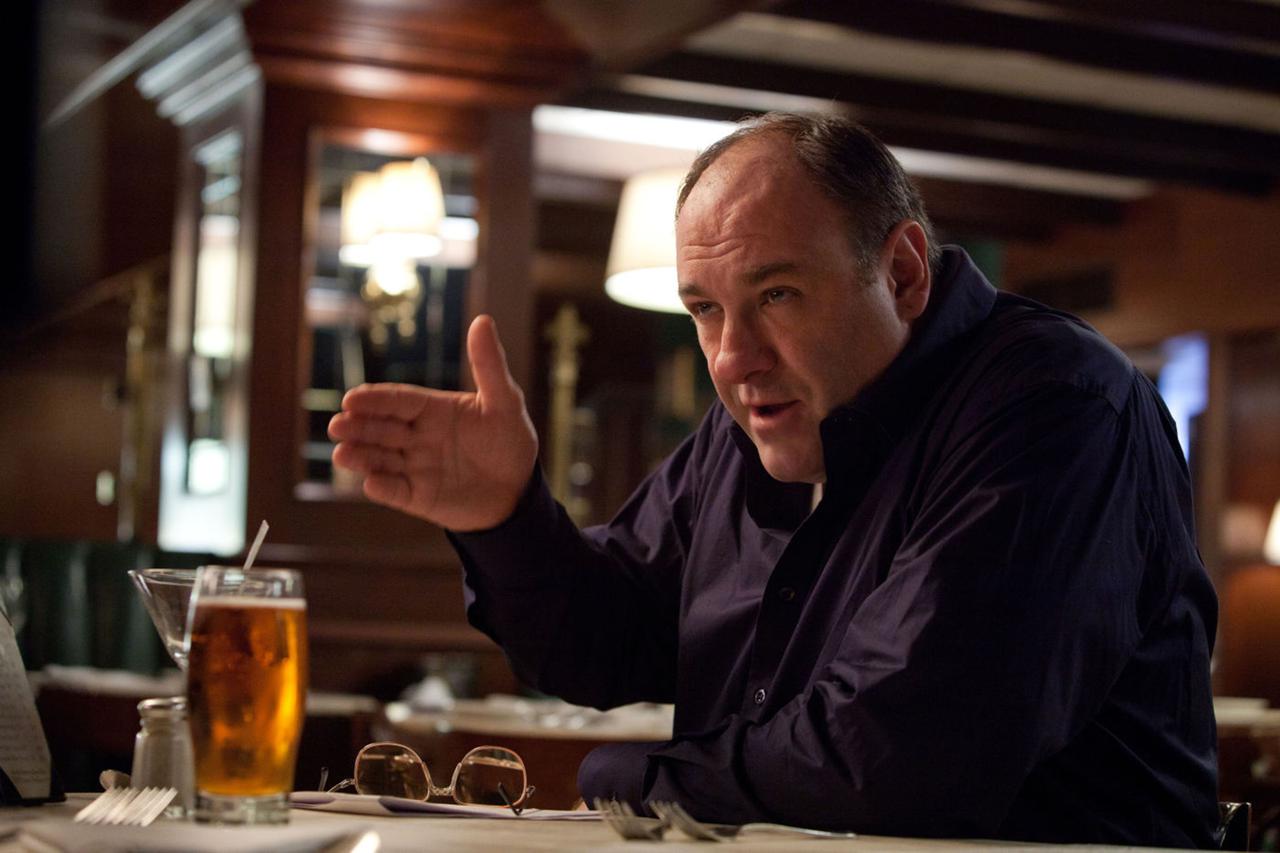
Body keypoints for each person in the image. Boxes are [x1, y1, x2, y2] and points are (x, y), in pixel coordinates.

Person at [328, 112, 1219, 846]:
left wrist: (627, 776)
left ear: (903, 273)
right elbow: (606, 642)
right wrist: (505, 518)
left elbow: (899, 755)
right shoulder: (752, 423)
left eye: (777, 295)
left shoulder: (1055, 405)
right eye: (706, 309)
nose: (731, 358)